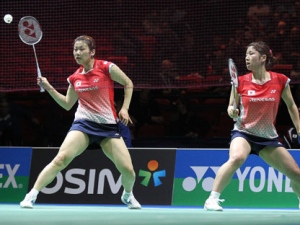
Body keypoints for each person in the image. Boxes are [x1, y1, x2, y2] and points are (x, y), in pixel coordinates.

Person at [20, 35, 141, 209]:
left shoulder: (106, 68)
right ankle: (31, 195)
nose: (77, 52)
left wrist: (125, 108)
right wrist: (49, 88)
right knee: (61, 159)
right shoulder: (74, 78)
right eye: (75, 49)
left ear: (92, 52)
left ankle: (128, 195)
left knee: (128, 171)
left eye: (81, 49)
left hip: (108, 126)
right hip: (84, 124)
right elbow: (67, 104)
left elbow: (128, 83)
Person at [204, 41, 300, 211]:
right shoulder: (240, 82)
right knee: (237, 158)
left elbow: (291, 106)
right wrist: (232, 111)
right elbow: (231, 106)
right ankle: (212, 199)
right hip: (244, 132)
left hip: (268, 137)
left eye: (251, 54)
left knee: (296, 175)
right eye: (246, 55)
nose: (247, 58)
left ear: (263, 58)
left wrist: (299, 128)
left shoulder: (280, 80)